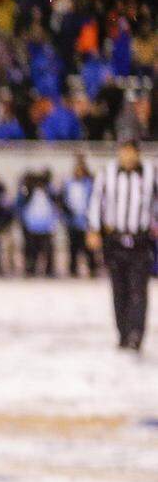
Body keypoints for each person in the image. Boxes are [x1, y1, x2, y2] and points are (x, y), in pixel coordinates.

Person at [87, 137, 158, 352]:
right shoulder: (106, 173)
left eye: (131, 151)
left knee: (139, 289)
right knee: (119, 289)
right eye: (123, 151)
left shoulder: (151, 174)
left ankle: (136, 333)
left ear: (137, 153)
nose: (127, 156)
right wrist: (93, 229)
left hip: (140, 240)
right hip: (115, 239)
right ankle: (123, 333)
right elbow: (96, 201)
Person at [18, 169, 59, 277]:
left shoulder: (49, 192)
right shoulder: (28, 192)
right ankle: (30, 269)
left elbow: (55, 206)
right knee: (31, 250)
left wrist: (53, 222)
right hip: (31, 225)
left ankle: (49, 270)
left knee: (48, 250)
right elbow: (20, 205)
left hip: (46, 226)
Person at [62, 154, 97, 276]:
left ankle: (92, 268)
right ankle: (73, 269)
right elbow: (64, 200)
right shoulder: (68, 183)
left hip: (86, 221)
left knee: (89, 248)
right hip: (72, 220)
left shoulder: (89, 183)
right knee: (73, 247)